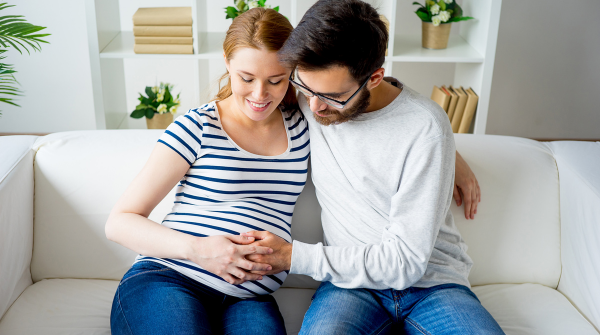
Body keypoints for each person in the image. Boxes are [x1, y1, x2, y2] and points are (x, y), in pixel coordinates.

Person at [240, 0, 502, 334]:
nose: (315, 106)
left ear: (375, 77)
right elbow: (247, 94)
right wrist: (454, 155)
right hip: (347, 285)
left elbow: (406, 263)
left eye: (333, 96)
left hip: (433, 284)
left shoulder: (426, 128)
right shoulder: (311, 93)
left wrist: (293, 256)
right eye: (306, 88)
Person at [105, 8, 307, 334]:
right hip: (170, 278)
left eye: (275, 80)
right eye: (246, 78)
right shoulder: (198, 125)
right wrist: (201, 251)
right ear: (227, 63)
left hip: (250, 299)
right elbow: (119, 222)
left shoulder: (302, 127)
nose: (260, 95)